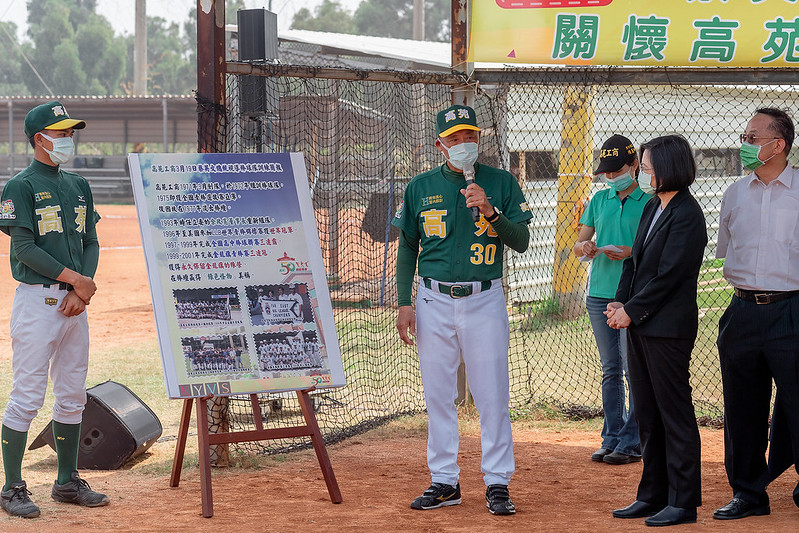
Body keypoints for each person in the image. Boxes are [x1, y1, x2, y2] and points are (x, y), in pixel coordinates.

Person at [392, 104, 532, 515]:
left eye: (469, 135)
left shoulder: (501, 182)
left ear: (479, 138)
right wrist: (404, 302)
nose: (463, 143)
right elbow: (408, 247)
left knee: (492, 394)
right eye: (454, 138)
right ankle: (444, 481)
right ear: (440, 145)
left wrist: (490, 211)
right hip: (432, 299)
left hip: (484, 297)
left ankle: (497, 482)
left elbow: (521, 241)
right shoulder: (420, 186)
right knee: (438, 395)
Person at [0, 101, 108, 519]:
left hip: (74, 305)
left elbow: (90, 241)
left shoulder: (78, 184)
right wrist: (76, 280)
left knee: (73, 394)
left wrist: (82, 290)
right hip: (38, 302)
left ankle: (66, 481)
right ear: (39, 139)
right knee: (27, 397)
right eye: (60, 132)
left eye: (69, 132)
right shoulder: (20, 186)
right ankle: (12, 487)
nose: (68, 138)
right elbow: (23, 249)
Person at [605, 135, 707, 527]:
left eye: (647, 167)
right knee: (647, 412)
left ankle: (683, 502)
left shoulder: (687, 213)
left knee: (673, 413)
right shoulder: (653, 205)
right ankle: (652, 495)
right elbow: (635, 262)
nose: (643, 174)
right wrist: (619, 302)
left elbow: (670, 275)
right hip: (642, 324)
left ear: (669, 167)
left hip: (668, 329)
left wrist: (632, 312)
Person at [714, 107, 799, 520]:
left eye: (752, 138)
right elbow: (725, 249)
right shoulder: (734, 193)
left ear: (778, 145)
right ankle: (747, 493)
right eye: (744, 137)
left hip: (792, 310)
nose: (744, 145)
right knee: (742, 408)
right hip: (742, 311)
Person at [573, 134, 649, 465]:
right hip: (600, 293)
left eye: (617, 170)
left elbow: (654, 249)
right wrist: (586, 247)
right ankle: (612, 437)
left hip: (632, 295)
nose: (611, 176)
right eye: (606, 171)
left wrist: (631, 252)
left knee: (633, 369)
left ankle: (633, 441)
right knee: (611, 369)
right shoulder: (599, 200)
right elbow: (579, 243)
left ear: (634, 166)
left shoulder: (649, 202)